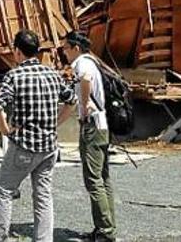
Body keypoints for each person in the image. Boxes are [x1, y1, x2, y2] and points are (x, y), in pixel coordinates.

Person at [0, 30, 76, 242]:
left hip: (24, 146)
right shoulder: (52, 74)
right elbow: (72, 101)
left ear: (17, 51)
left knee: (4, 192)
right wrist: (56, 123)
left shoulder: (14, 76)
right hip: (49, 147)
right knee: (43, 196)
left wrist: (5, 130)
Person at [62, 31, 116, 242]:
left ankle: (105, 231)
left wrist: (84, 107)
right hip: (102, 124)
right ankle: (106, 228)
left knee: (93, 179)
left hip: (92, 125)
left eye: (66, 48)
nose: (64, 52)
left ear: (76, 48)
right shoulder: (93, 62)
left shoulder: (82, 63)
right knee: (103, 178)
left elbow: (85, 80)